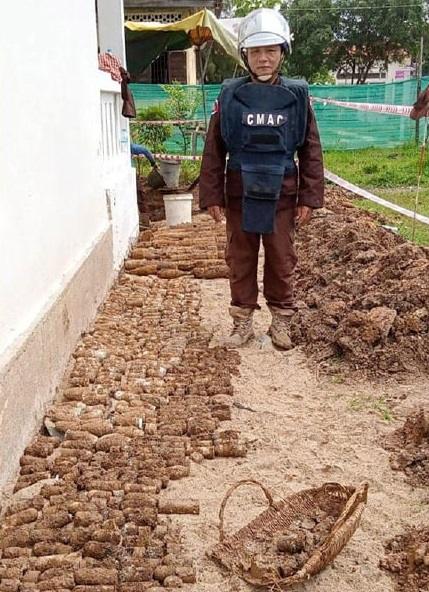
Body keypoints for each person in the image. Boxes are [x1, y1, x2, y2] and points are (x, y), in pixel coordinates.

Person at [199, 8, 324, 349]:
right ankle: (242, 324)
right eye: (256, 51)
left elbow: (311, 149)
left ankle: (281, 322)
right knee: (239, 258)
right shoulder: (229, 97)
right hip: (240, 193)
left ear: (283, 52)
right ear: (245, 55)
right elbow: (214, 149)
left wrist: (310, 197)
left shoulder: (297, 97)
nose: (264, 59)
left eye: (271, 50)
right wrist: (211, 195)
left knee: (282, 258)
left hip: (282, 195)